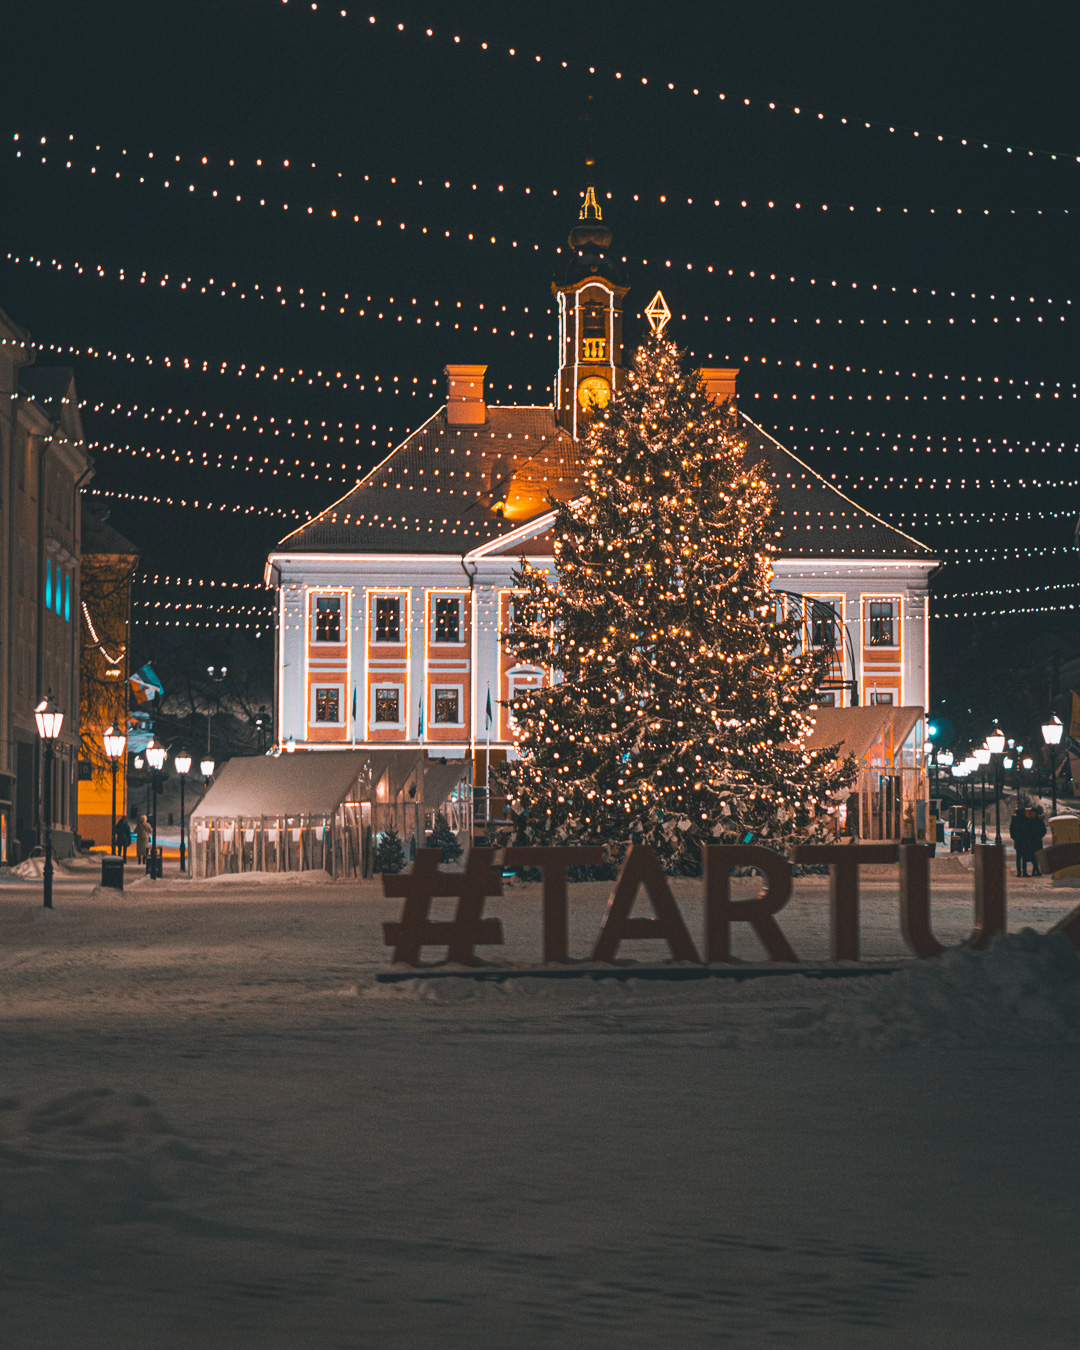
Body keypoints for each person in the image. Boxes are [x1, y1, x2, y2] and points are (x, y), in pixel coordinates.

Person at [1009, 805, 1031, 877]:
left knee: (1018, 858)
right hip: (1025, 841)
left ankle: (1019, 872)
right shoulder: (1027, 820)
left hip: (1018, 841)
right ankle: (1024, 872)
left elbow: (1011, 830)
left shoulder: (1015, 821)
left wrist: (1014, 837)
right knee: (1024, 857)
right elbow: (1029, 830)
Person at [1027, 809, 1047, 877]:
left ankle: (1035, 870)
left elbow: (1043, 830)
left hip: (1037, 840)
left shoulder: (1039, 821)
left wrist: (1040, 836)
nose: (1033, 815)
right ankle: (1036, 870)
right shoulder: (1030, 821)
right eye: (1031, 814)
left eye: (1034, 813)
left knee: (1037, 856)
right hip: (1032, 841)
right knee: (1033, 856)